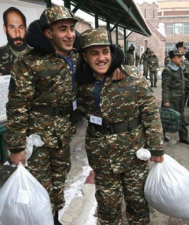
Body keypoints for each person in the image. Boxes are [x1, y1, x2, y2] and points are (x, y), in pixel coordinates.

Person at [75, 28, 164, 225]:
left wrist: (156, 147)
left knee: (137, 202)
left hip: (134, 151)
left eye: (105, 52)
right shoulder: (81, 81)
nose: (101, 58)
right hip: (102, 154)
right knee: (107, 204)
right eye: (94, 53)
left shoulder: (131, 76)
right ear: (85, 56)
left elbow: (150, 112)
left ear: (112, 52)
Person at [5, 6, 79, 225]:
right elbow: (17, 105)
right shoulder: (28, 62)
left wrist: (116, 65)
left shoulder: (76, 58)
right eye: (62, 29)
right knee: (40, 186)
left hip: (62, 134)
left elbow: (102, 57)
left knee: (59, 182)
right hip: (36, 139)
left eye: (72, 29)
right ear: (48, 33)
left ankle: (54, 219)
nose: (70, 35)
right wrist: (17, 146)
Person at [161, 49, 189, 145]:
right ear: (172, 58)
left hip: (180, 98)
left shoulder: (179, 68)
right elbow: (165, 87)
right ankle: (160, 136)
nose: (181, 59)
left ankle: (183, 136)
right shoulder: (168, 70)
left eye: (182, 56)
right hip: (171, 98)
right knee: (167, 118)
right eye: (178, 57)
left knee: (181, 117)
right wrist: (166, 101)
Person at [0, 7, 31, 76]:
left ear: (26, 28)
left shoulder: (38, 55)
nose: (17, 34)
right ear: (5, 29)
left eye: (21, 27)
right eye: (12, 27)